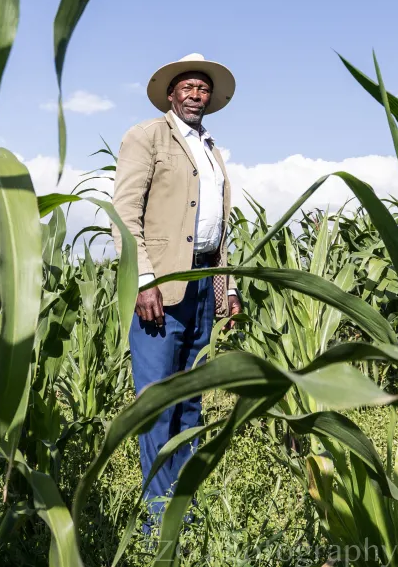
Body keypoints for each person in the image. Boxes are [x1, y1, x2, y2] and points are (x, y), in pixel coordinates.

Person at [111, 52, 242, 530]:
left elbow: (216, 229)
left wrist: (226, 288)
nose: (196, 95)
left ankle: (183, 516)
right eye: (187, 87)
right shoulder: (146, 137)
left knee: (190, 402)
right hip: (161, 288)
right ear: (171, 94)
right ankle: (155, 525)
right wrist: (144, 280)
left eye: (203, 89)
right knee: (157, 402)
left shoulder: (210, 147)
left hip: (204, 285)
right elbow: (124, 215)